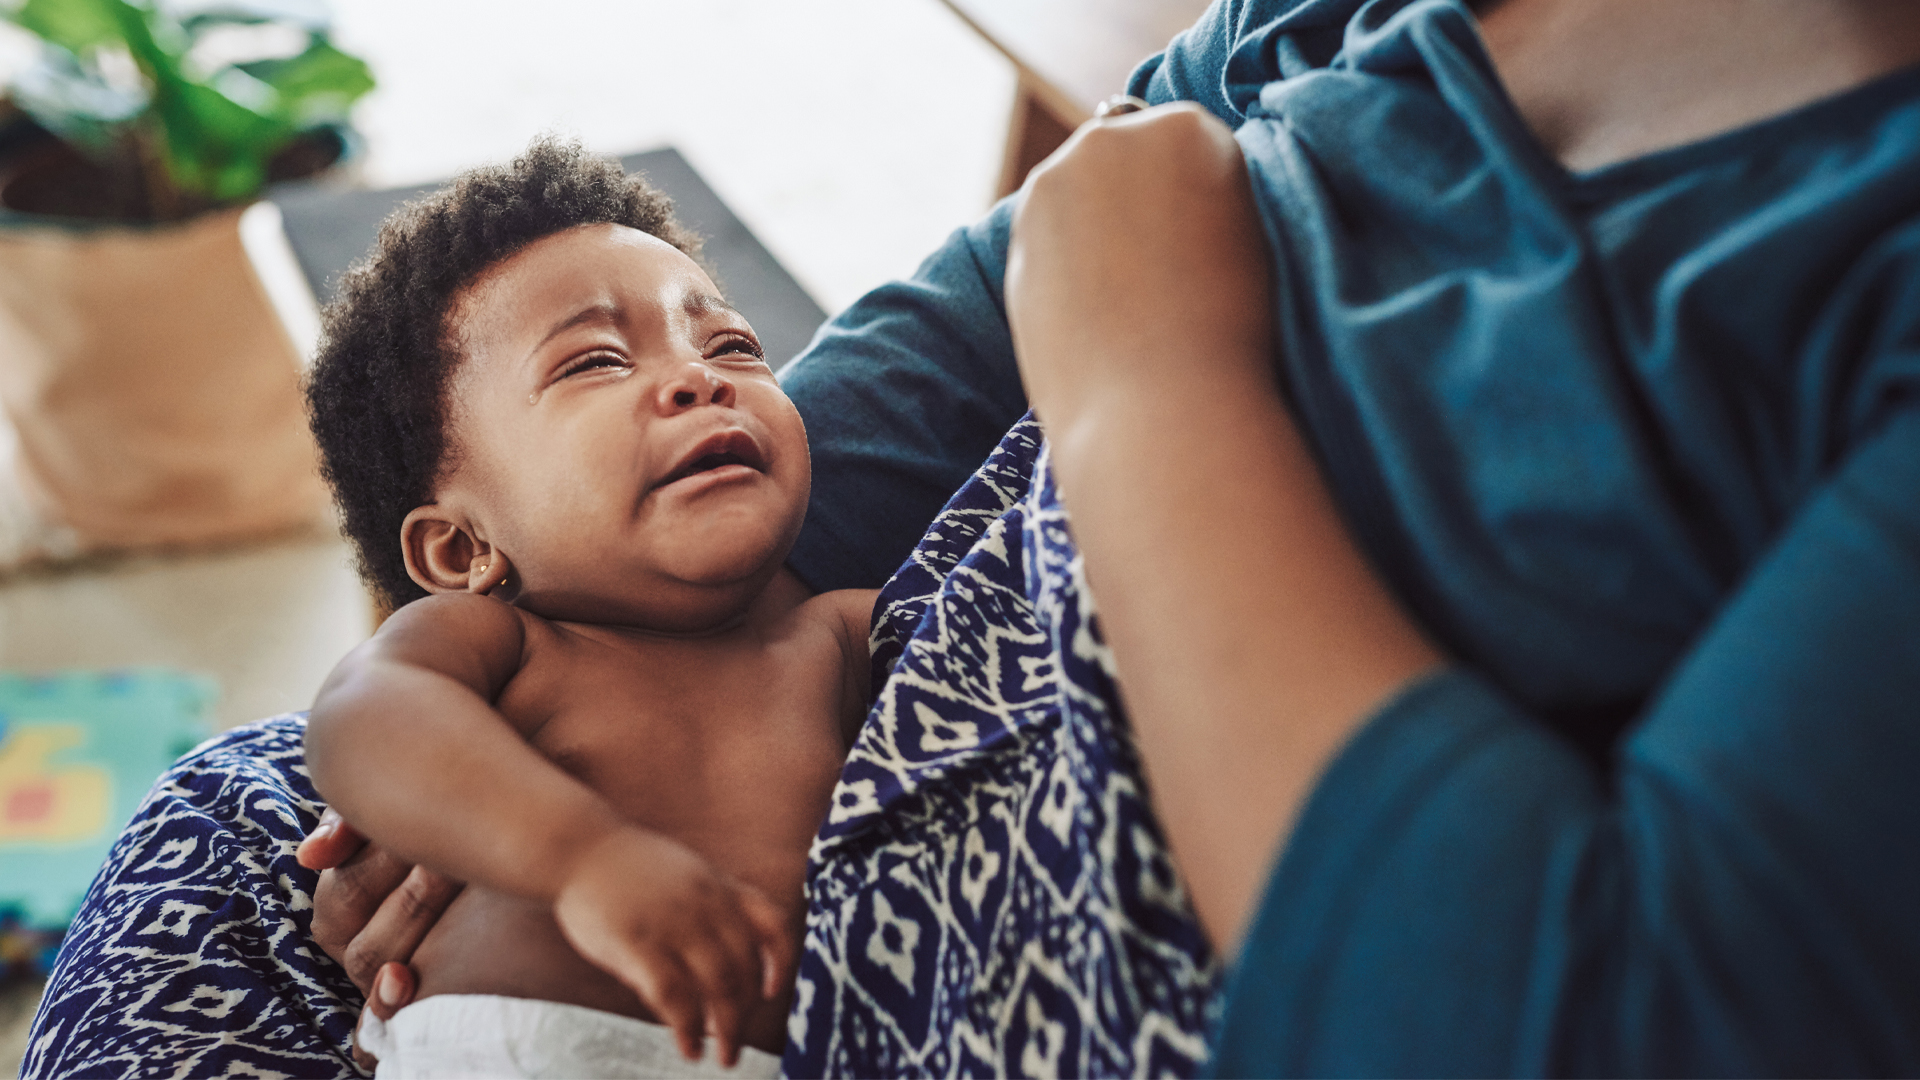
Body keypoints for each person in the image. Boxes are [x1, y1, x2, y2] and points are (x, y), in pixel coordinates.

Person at [27, 0, 1920, 1074]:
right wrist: (597, 734)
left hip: (1002, 1009)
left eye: (722, 342)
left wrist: (1141, 385)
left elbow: (1578, 1026)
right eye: (616, 354)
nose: (698, 376)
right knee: (226, 825)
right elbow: (993, 302)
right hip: (611, 914)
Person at [298, 139, 878, 1076]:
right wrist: (583, 860)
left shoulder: (846, 634)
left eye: (732, 344)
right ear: (462, 548)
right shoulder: (499, 642)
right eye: (595, 362)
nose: (699, 378)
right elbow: (361, 728)